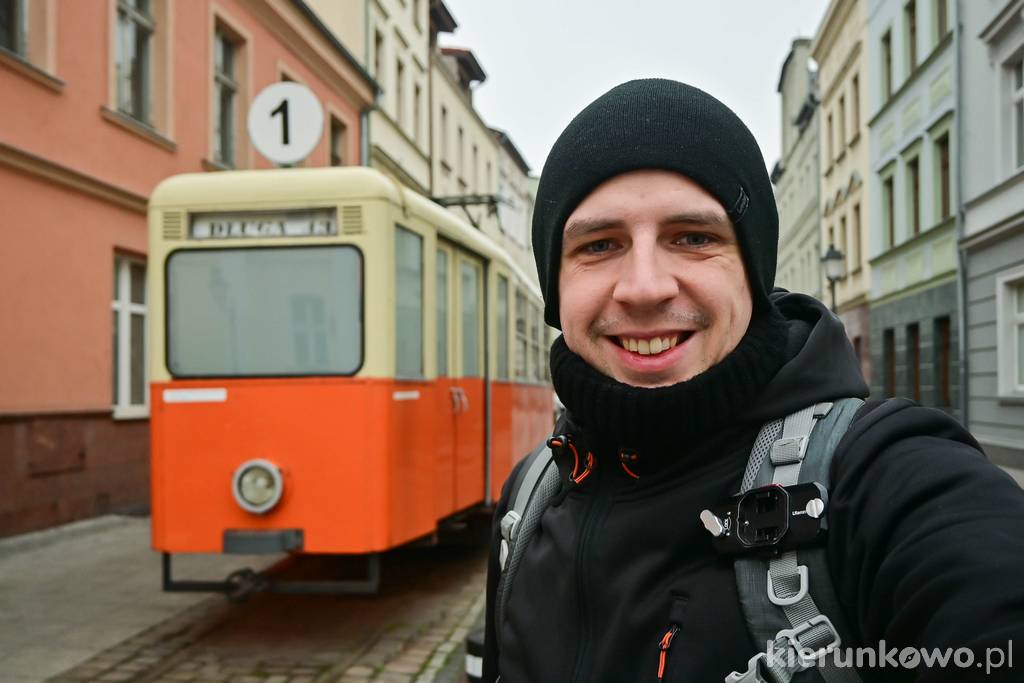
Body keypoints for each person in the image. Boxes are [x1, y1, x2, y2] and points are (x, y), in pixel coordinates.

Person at [481, 79, 1024, 682]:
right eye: (600, 244)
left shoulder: (883, 477)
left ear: (753, 271)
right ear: (556, 286)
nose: (644, 287)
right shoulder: (529, 497)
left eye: (694, 238)